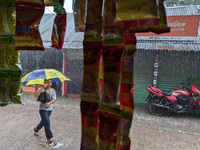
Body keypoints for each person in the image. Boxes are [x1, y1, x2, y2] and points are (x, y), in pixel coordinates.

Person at [33, 79, 57, 147]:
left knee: (44, 121)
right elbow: (35, 94)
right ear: (44, 82)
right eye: (48, 82)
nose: (49, 83)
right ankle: (49, 139)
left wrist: (49, 103)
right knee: (47, 122)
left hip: (49, 109)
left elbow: (54, 99)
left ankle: (36, 128)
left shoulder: (53, 90)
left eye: (50, 82)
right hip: (42, 109)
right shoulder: (42, 89)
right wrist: (43, 87)